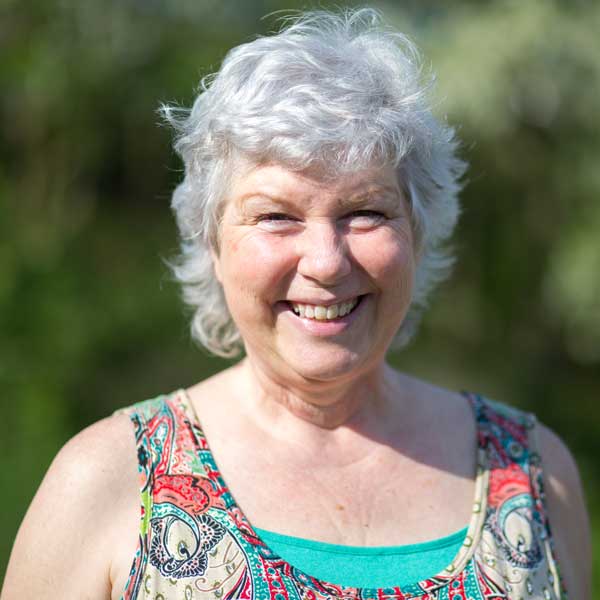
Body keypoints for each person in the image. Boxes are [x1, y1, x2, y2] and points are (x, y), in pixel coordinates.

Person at [2, 8, 591, 600]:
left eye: (366, 211)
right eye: (276, 216)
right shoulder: (111, 481)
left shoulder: (535, 475)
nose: (326, 262)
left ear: (418, 234)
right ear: (212, 243)